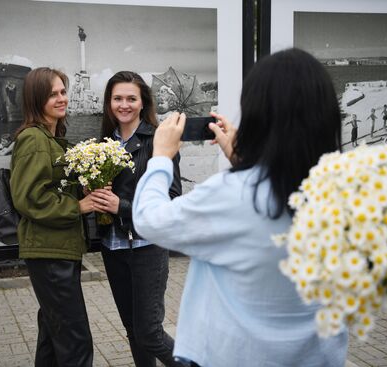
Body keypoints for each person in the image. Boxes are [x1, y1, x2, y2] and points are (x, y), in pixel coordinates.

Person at [132, 48, 348, 366]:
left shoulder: (232, 194)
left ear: (256, 113)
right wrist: (247, 161)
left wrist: (161, 157)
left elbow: (150, 220)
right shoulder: (346, 192)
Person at [89, 71, 183, 367]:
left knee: (151, 332)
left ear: (143, 103)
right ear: (109, 103)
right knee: (133, 330)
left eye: (131, 98)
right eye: (118, 98)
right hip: (113, 247)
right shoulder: (101, 143)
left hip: (147, 246)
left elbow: (172, 198)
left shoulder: (158, 140)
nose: (124, 105)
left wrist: (122, 205)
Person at [10, 67, 94, 367]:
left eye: (62, 91)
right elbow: (29, 198)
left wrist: (80, 187)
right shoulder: (34, 139)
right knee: (76, 341)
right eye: (52, 94)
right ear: (36, 99)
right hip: (49, 252)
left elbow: (50, 187)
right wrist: (78, 207)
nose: (62, 99)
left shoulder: (53, 137)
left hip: (58, 249)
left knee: (53, 333)